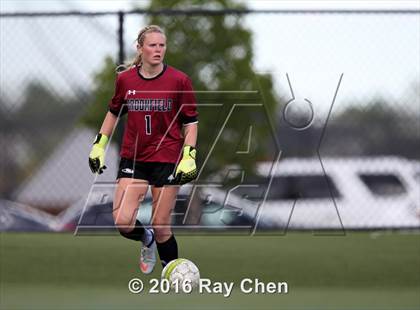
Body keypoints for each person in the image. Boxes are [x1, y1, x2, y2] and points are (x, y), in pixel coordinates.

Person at [88, 25, 198, 274]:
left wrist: (189, 156)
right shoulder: (125, 80)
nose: (158, 50)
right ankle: (145, 239)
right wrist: (99, 146)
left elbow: (190, 124)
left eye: (162, 45)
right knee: (123, 222)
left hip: (167, 158)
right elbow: (113, 113)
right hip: (134, 157)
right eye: (152, 45)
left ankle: (172, 275)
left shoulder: (179, 80)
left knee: (161, 225)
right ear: (140, 48)